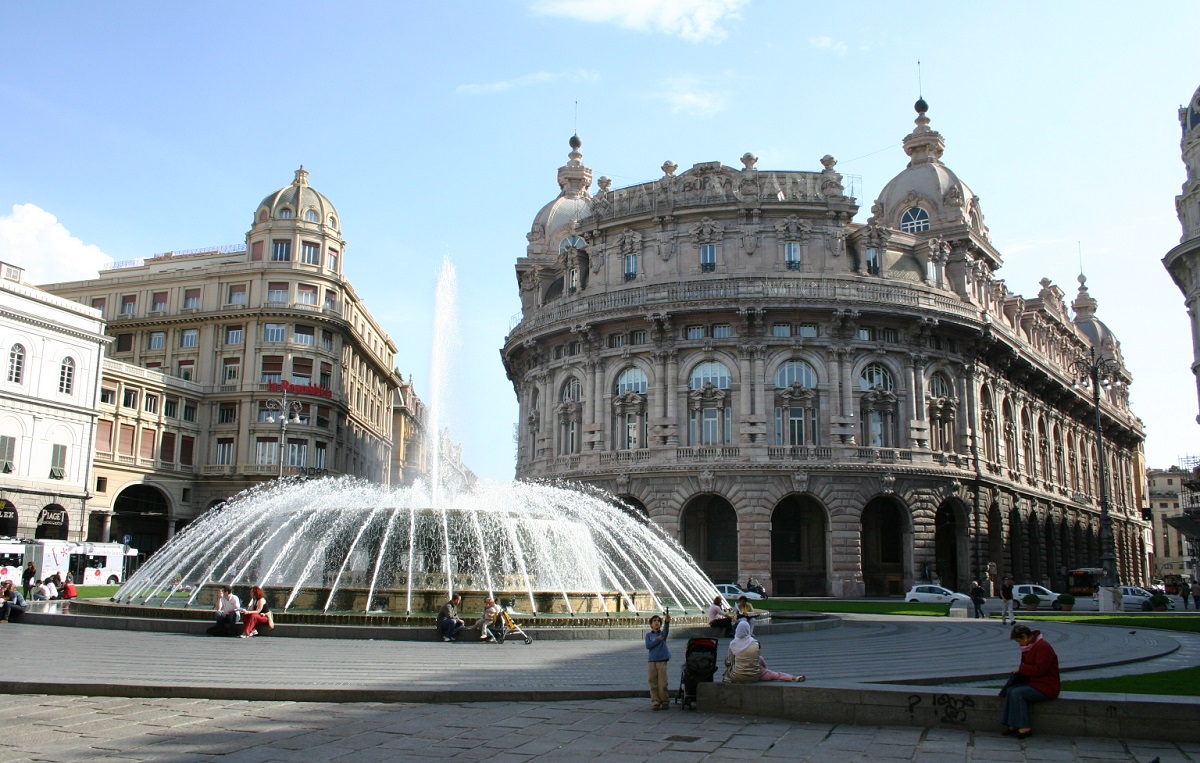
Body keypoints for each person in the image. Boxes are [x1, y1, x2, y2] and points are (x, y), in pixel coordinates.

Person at [999, 624, 1060, 739]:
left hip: (1047, 686)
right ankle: (1012, 724)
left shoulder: (1042, 646)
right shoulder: (1029, 647)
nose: (1019, 644)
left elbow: (1040, 670)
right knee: (1011, 690)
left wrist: (1021, 669)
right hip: (1036, 683)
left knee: (1018, 693)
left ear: (1025, 637)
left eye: (1019, 641)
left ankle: (1025, 727)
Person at [722, 620, 804, 683]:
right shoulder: (755, 643)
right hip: (755, 676)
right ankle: (793, 678)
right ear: (748, 629)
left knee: (728, 669)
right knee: (776, 675)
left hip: (737, 676)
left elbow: (729, 662)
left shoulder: (733, 644)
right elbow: (758, 659)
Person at [644, 612, 671, 711]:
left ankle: (664, 700)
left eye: (658, 621)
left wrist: (667, 622)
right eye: (654, 621)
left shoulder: (662, 634)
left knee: (663, 682)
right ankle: (655, 701)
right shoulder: (648, 635)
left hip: (662, 660)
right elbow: (648, 646)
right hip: (652, 661)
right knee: (653, 682)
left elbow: (666, 630)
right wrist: (658, 640)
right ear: (651, 624)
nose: (656, 622)